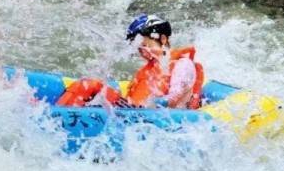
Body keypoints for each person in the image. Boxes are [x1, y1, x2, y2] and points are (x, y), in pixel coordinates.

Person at [56, 14, 204, 109]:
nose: (142, 51)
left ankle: (56, 114)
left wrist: (152, 104)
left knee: (89, 85)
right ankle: (59, 110)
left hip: (146, 115)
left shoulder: (182, 64)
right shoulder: (149, 69)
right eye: (139, 47)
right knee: (88, 85)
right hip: (132, 110)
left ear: (163, 39)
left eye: (145, 45)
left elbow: (174, 99)